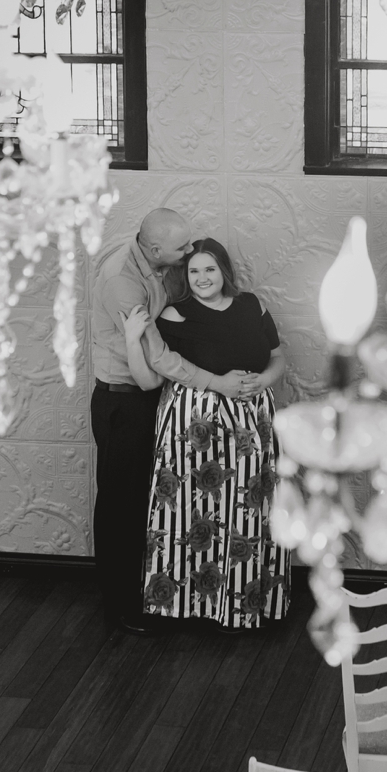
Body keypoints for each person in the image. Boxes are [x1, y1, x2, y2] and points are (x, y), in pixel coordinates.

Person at [120, 238, 292, 630]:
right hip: (193, 428)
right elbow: (149, 379)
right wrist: (133, 338)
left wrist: (262, 380)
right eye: (194, 270)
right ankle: (188, 607)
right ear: (185, 274)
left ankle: (245, 606)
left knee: (248, 510)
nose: (202, 278)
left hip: (252, 421)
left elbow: (278, 356)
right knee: (189, 513)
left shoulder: (252, 306)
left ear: (224, 272)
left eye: (210, 269)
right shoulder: (173, 317)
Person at [88, 208, 245, 633]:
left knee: (144, 503)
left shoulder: (153, 259)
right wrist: (216, 382)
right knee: (120, 508)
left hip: (146, 397)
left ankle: (138, 593)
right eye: (182, 248)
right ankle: (118, 607)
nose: (190, 251)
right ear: (155, 248)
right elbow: (154, 359)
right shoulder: (123, 282)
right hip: (122, 403)